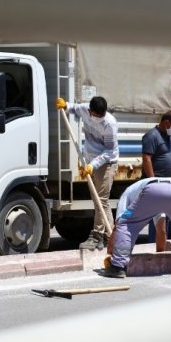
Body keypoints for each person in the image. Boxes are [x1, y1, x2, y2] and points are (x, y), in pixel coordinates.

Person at [102, 177, 171, 278]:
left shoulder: (126, 194)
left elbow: (119, 225)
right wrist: (161, 255)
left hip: (153, 190)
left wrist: (110, 253)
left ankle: (118, 267)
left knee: (126, 223)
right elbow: (161, 228)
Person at [56, 96, 119, 250]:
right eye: (97, 116)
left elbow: (110, 151)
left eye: (101, 116)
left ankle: (98, 236)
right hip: (90, 161)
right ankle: (110, 237)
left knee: (101, 200)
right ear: (90, 111)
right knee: (99, 202)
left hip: (106, 163)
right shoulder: (85, 109)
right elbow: (73, 108)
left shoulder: (109, 123)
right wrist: (65, 105)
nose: (99, 119)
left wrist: (93, 165)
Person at [141, 110, 171, 252]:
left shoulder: (167, 136)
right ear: (166, 123)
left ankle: (165, 246)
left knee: (167, 217)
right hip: (156, 185)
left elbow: (168, 156)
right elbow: (147, 159)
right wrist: (153, 181)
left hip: (167, 184)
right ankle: (155, 247)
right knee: (158, 219)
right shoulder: (151, 136)